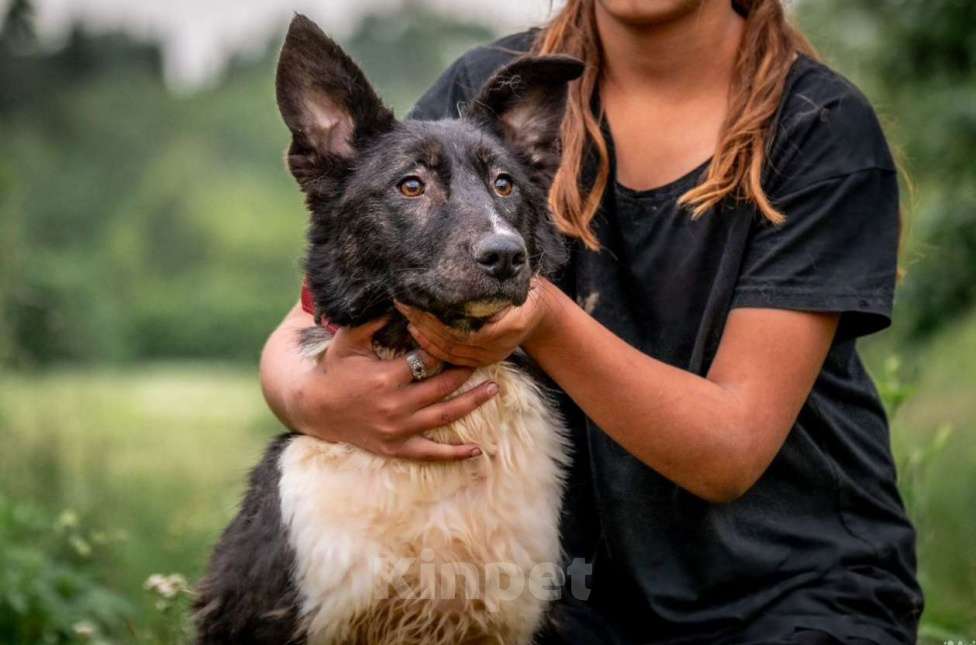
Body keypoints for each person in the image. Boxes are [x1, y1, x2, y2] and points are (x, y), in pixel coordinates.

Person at [259, 0, 923, 642]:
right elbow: (308, 324)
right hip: (574, 599)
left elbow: (730, 453)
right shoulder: (496, 85)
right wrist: (317, 399)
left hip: (791, 592)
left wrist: (544, 319)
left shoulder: (819, 127)